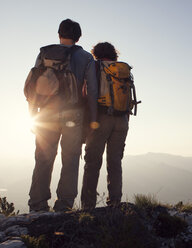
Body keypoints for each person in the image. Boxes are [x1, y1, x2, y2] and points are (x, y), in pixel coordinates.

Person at [26, 19, 98, 212]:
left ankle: (37, 204)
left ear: (59, 34)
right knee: (71, 158)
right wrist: (93, 119)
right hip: (73, 114)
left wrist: (32, 114)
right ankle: (64, 204)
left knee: (43, 158)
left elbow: (35, 86)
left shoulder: (44, 53)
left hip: (47, 113)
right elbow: (92, 90)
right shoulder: (85, 57)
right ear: (78, 37)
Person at [81, 42, 130, 210]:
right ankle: (115, 202)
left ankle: (88, 206)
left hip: (101, 118)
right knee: (115, 162)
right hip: (122, 120)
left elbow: (87, 93)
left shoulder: (95, 67)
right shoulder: (123, 70)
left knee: (92, 163)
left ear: (96, 53)